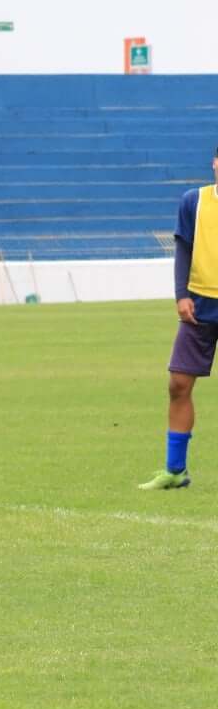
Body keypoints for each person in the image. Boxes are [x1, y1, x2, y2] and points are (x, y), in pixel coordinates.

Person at [140, 147, 218, 490]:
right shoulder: (194, 201)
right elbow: (184, 247)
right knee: (178, 385)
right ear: (215, 164)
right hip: (199, 305)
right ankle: (175, 471)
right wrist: (181, 294)